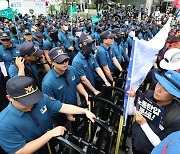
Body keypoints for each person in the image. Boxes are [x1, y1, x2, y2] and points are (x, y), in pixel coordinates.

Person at [0, 76, 95, 154]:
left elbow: (62, 107)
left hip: (54, 145)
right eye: (26, 101)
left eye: (33, 98)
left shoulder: (41, 99)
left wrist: (84, 111)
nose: (31, 104)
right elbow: (19, 151)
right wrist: (49, 134)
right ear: (10, 98)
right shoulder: (4, 123)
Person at [127, 70, 180, 154]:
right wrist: (131, 97)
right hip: (135, 142)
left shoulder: (176, 117)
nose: (158, 90)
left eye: (165, 89)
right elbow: (132, 111)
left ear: (174, 96)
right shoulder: (149, 95)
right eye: (159, 83)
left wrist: (144, 124)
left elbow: (163, 146)